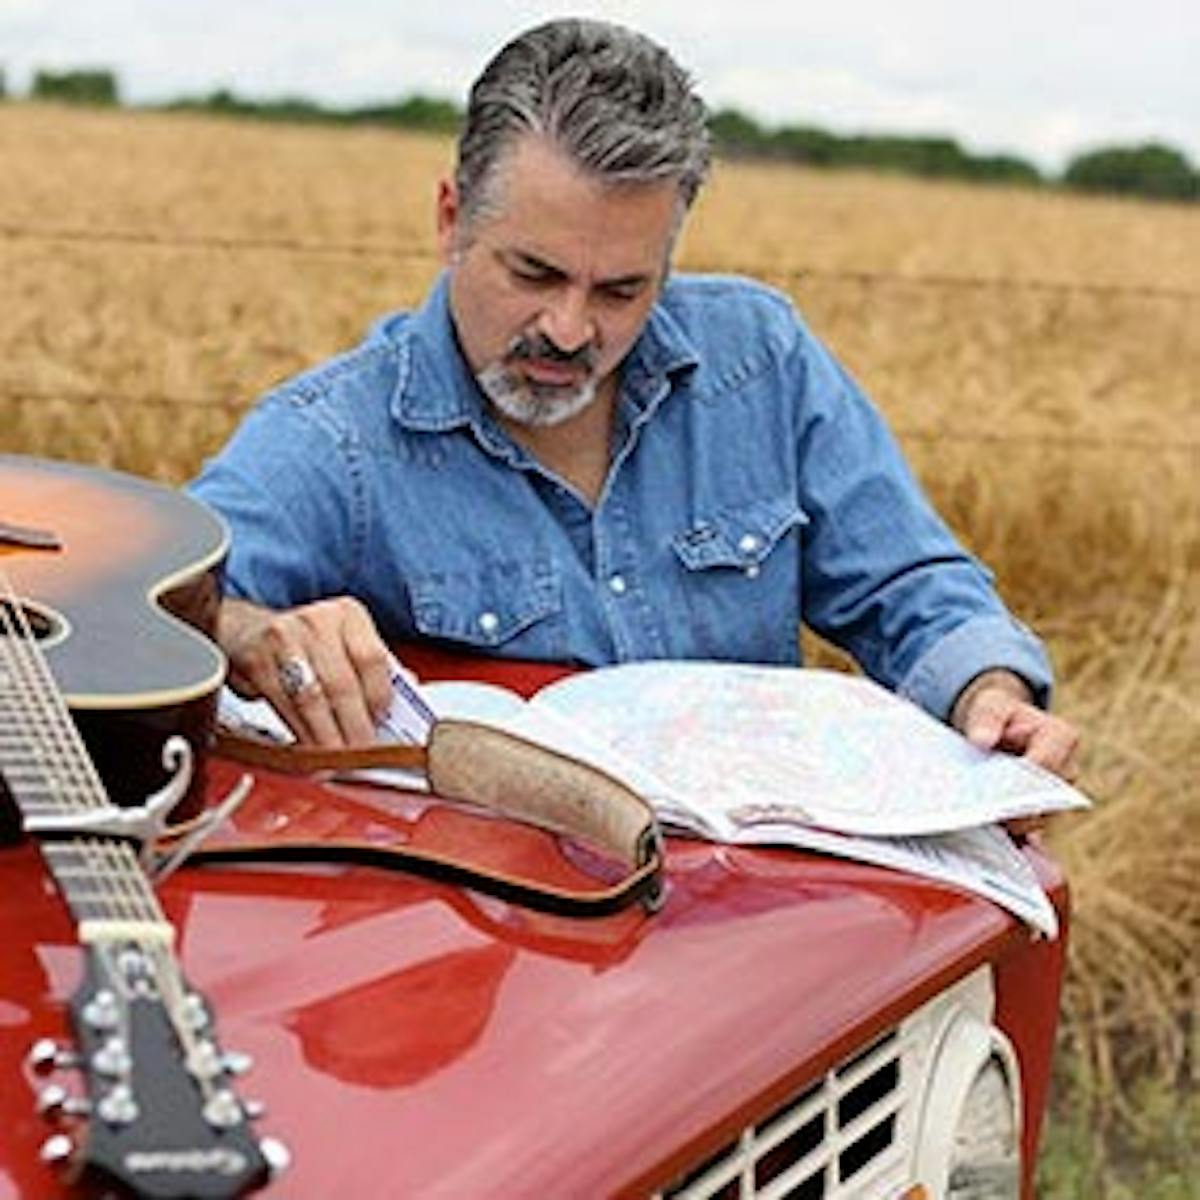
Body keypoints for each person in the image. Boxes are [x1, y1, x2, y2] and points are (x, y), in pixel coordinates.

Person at [189, 17, 1080, 780]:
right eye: (534, 273)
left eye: (621, 289)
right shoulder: (334, 438)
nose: (571, 329)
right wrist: (248, 633)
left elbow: (907, 583)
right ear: (451, 219)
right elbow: (146, 606)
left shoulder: (761, 361)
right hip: (500, 930)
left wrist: (989, 695)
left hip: (745, 909)